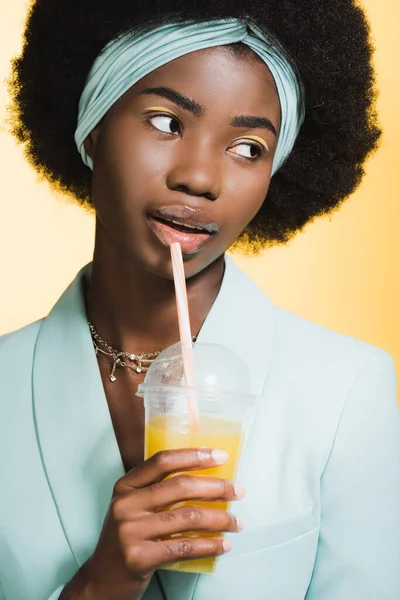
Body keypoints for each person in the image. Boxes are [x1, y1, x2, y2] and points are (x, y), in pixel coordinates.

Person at [1, 0, 399, 599]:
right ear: (91, 127)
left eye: (248, 148)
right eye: (167, 122)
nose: (201, 178)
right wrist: (99, 586)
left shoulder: (346, 390)